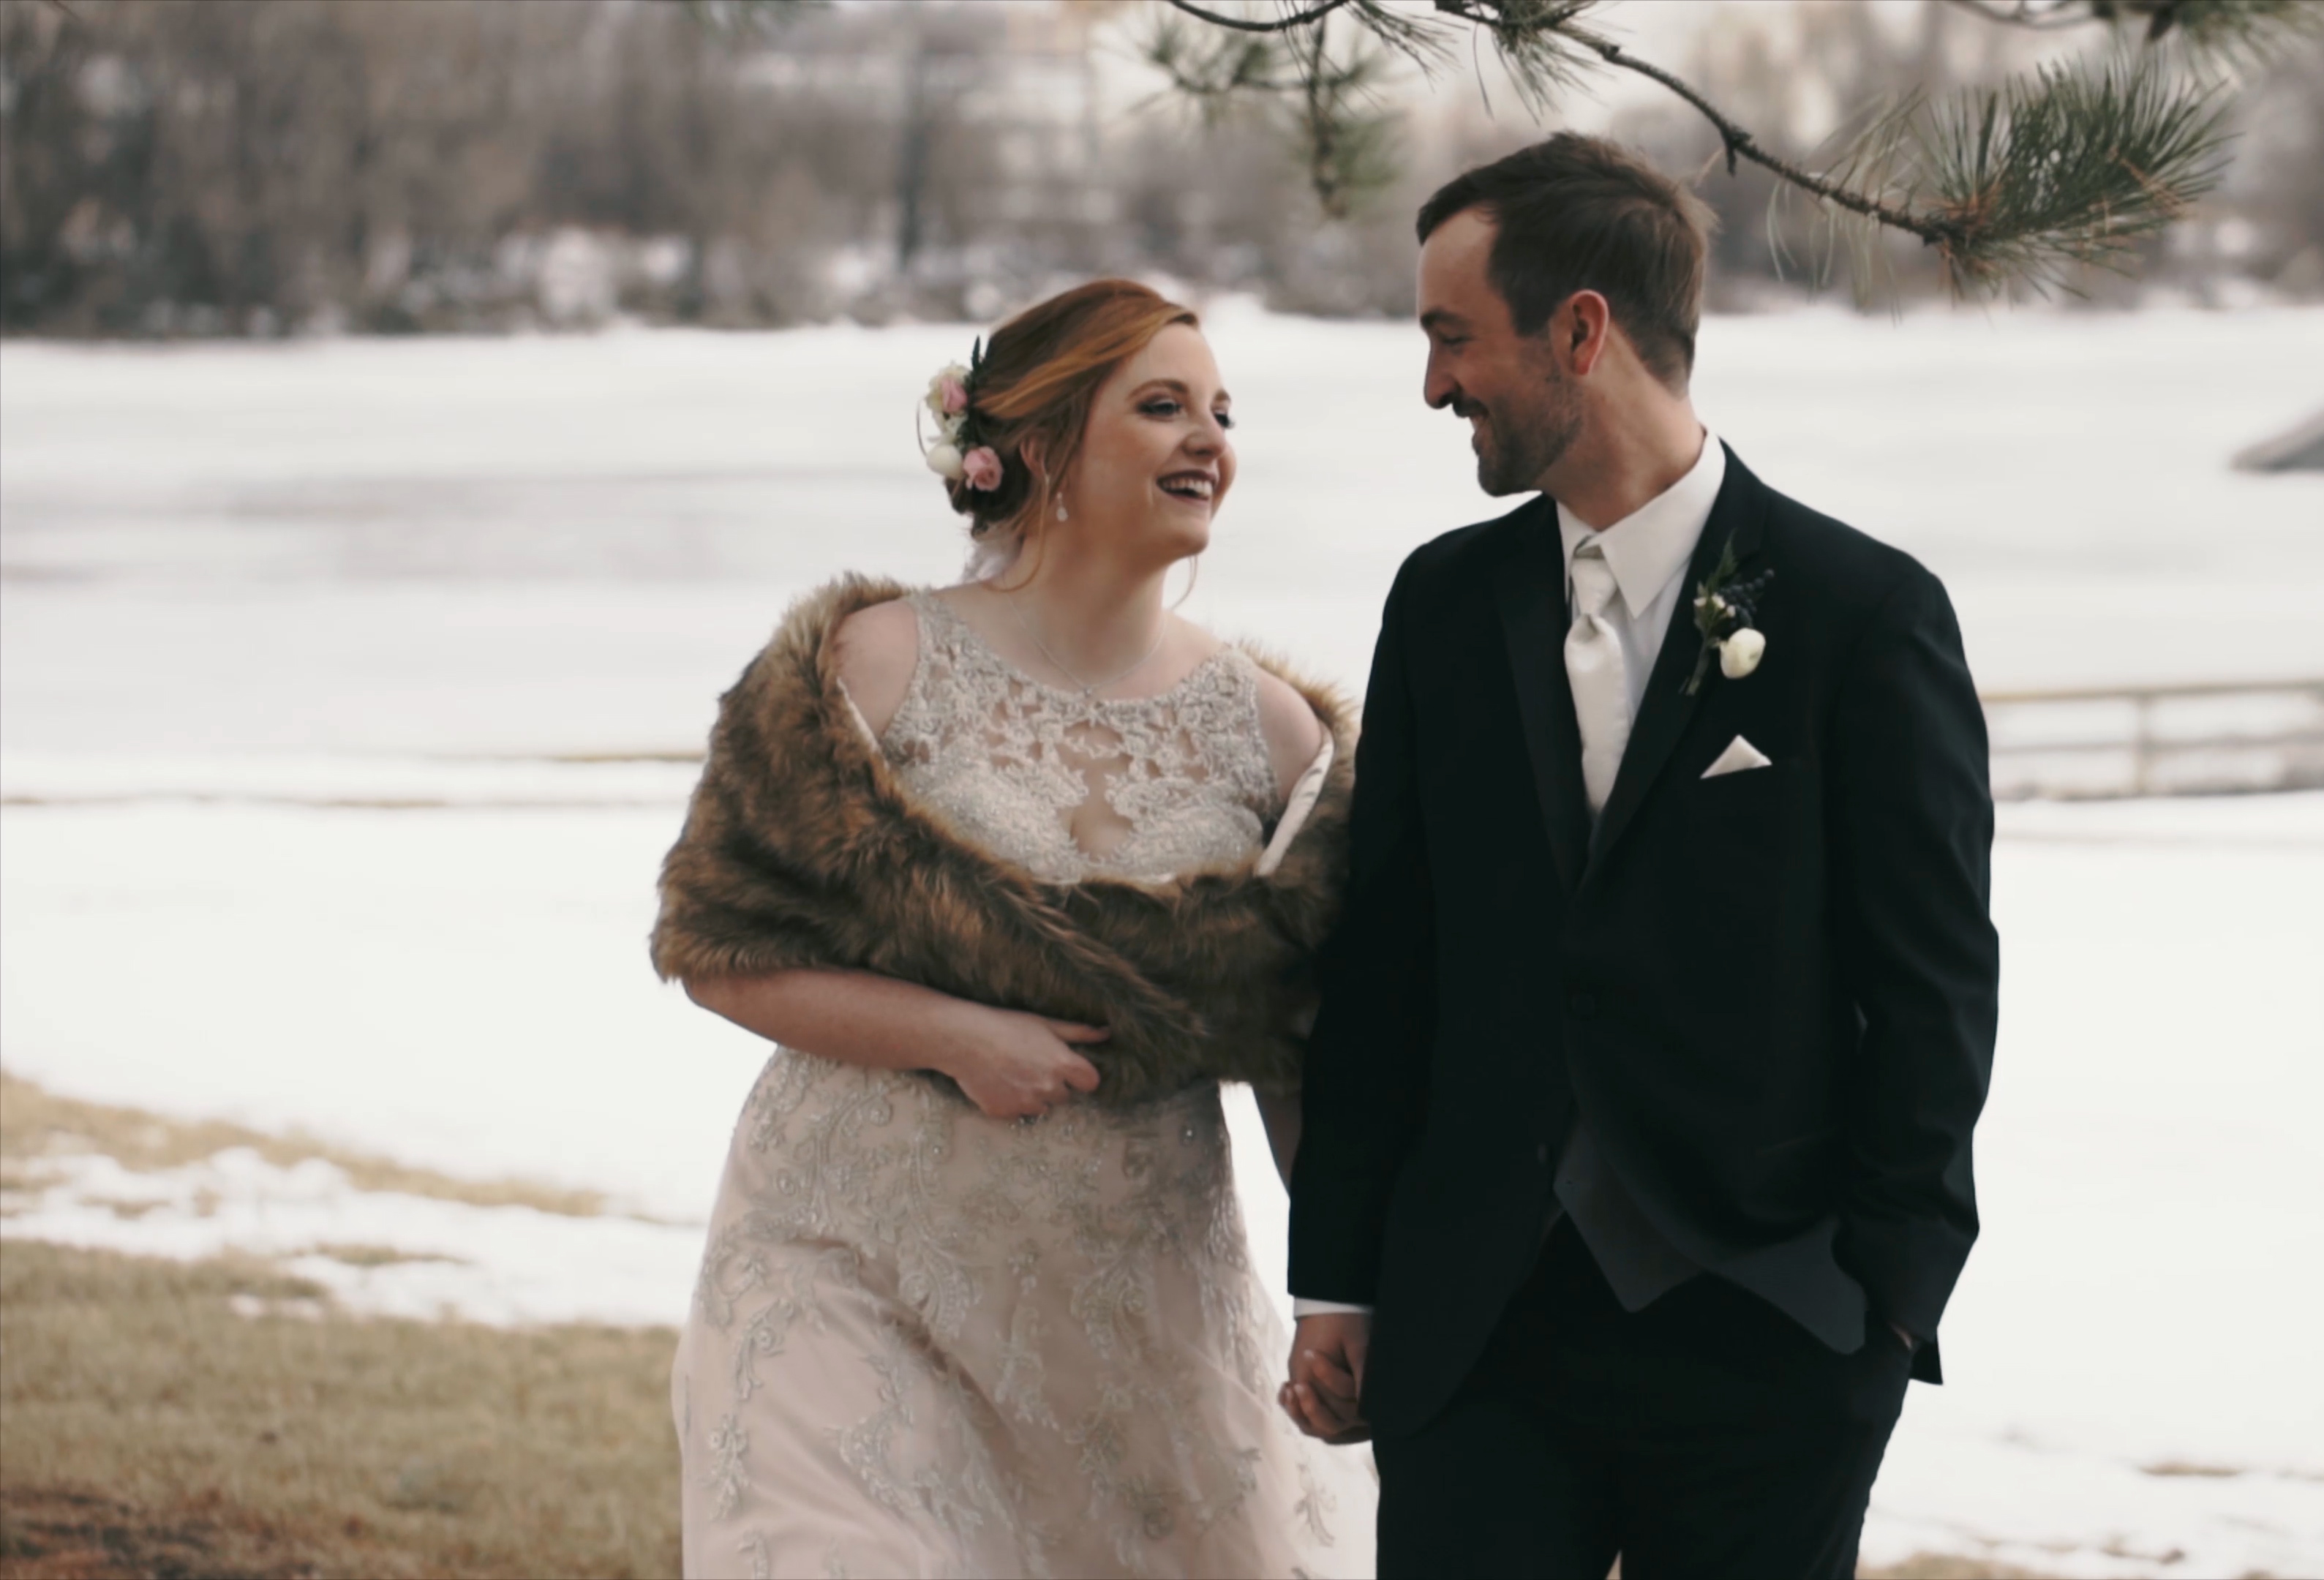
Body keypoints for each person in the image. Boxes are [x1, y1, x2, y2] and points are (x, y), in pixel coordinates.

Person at [1279, 134, 2001, 1579]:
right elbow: (1389, 960)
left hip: (1770, 1330)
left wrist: (1885, 1310)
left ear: (1583, 331)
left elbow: (1930, 988)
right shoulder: (1442, 603)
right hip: (1473, 1331)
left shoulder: (1863, 612)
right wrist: (1341, 1280)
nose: (1434, 385)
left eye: (1452, 337)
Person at [653, 279, 1375, 1578]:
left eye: (1220, 411)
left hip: (1130, 1310)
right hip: (847, 1266)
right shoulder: (870, 664)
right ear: (1038, 449)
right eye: (1161, 408)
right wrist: (954, 1035)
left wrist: (1341, 1292)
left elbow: (1299, 1047)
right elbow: (721, 950)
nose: (1208, 438)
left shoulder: (1277, 734)